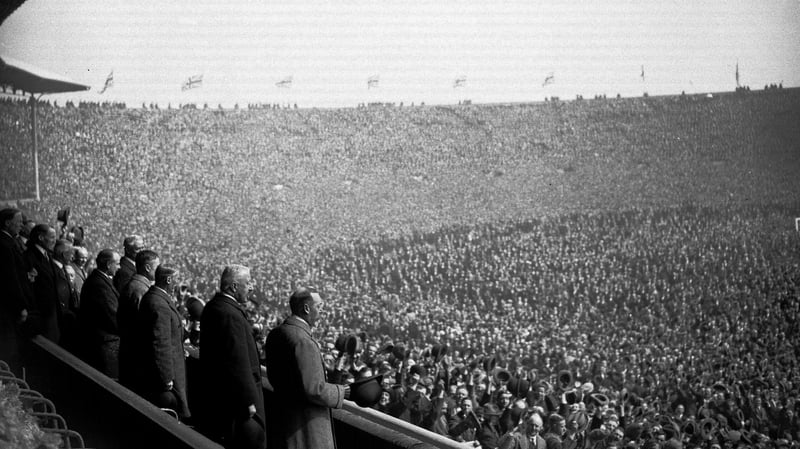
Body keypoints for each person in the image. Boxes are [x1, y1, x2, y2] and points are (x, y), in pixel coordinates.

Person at [264, 287, 349, 449]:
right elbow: (314, 389)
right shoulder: (303, 341)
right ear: (306, 308)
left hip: (284, 419)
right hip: (305, 427)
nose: (323, 311)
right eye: (320, 307)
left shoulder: (277, 333)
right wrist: (341, 391)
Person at [197, 265, 265, 449]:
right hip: (236, 407)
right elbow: (237, 362)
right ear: (234, 287)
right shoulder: (229, 314)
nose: (251, 287)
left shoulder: (215, 306)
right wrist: (249, 401)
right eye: (248, 282)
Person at [132, 265, 190, 420]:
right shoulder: (159, 303)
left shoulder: (155, 297)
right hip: (166, 376)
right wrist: (166, 378)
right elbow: (160, 343)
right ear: (169, 279)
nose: (179, 284)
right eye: (177, 280)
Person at [118, 249, 160, 388]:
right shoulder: (141, 289)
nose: (159, 270)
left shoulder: (135, 284)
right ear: (148, 268)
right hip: (137, 356)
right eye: (157, 267)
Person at [79, 249, 121, 378]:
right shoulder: (99, 284)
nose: (119, 267)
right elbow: (112, 316)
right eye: (117, 263)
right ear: (109, 264)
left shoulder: (101, 280)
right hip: (104, 345)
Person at [0, 208, 30, 372]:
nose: (21, 225)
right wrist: (21, 306)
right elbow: (11, 279)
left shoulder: (8, 242)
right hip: (9, 312)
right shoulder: (5, 245)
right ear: (7, 222)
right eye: (18, 222)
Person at [22, 224, 61, 343]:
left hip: (51, 314)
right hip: (40, 316)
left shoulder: (47, 255)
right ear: (41, 238)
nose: (55, 241)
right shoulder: (30, 257)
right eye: (52, 237)